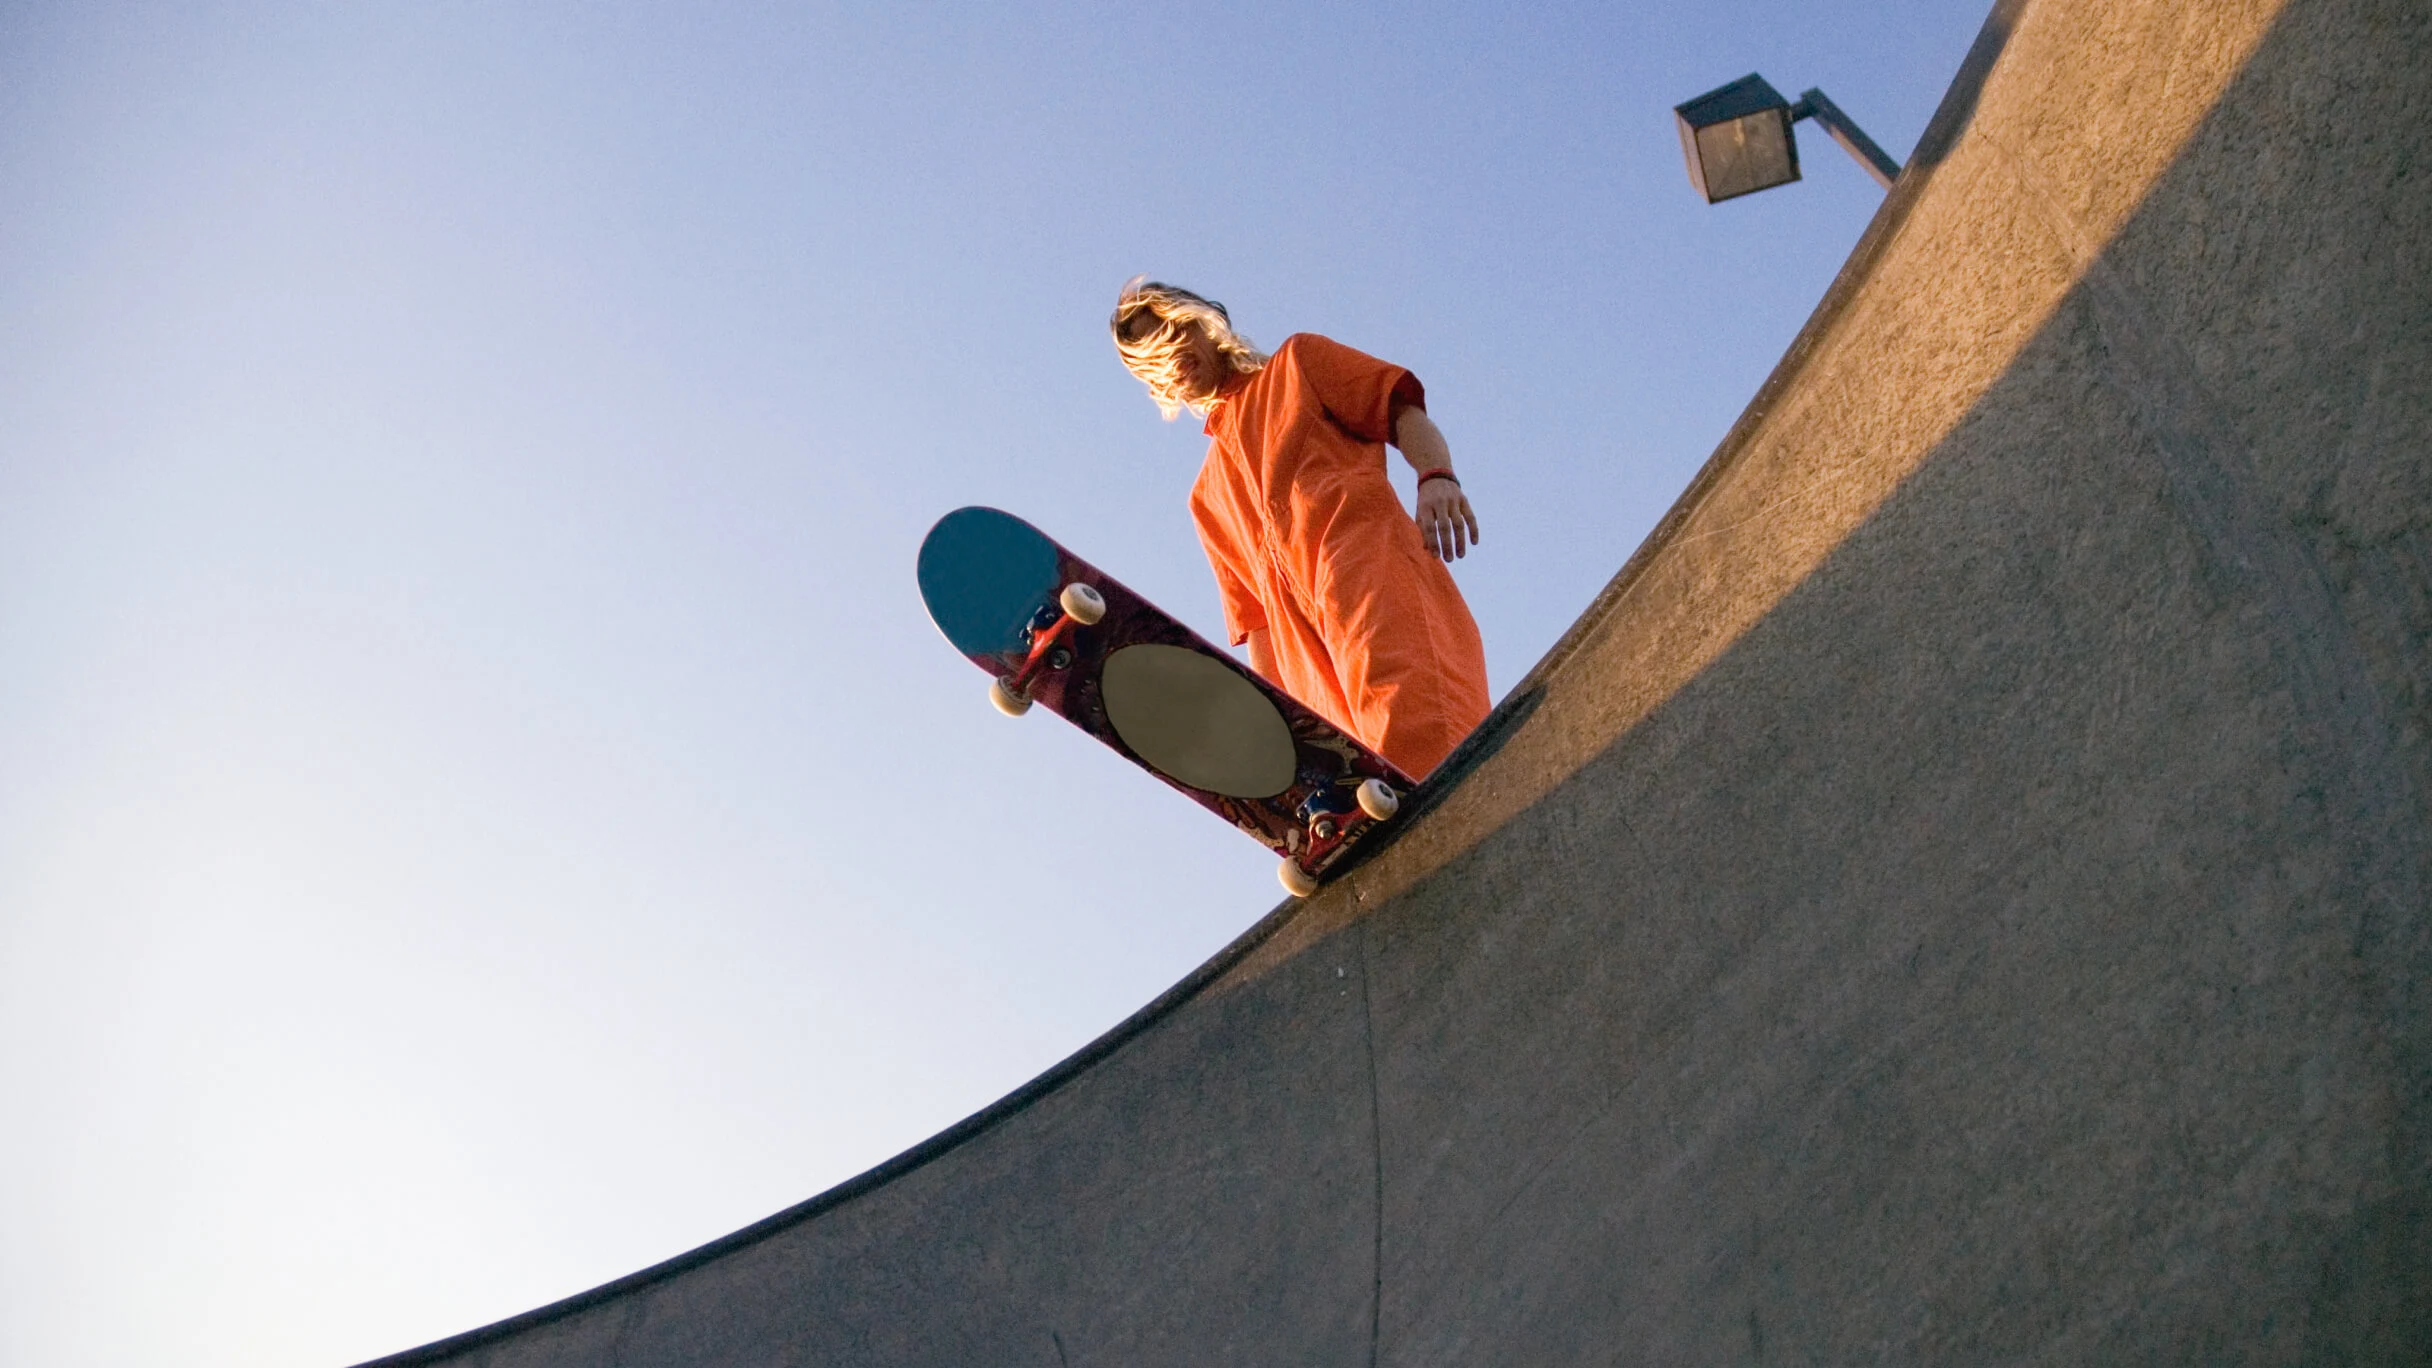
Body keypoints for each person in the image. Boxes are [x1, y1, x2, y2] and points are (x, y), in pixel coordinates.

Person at [1109, 277, 1490, 779]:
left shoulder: (1298, 365)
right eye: (1152, 358)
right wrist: (1281, 723)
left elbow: (1397, 408)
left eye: (1171, 334)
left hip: (1375, 587)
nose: (1172, 357)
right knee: (1368, 793)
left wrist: (1436, 476)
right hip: (1307, 668)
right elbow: (1256, 621)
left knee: (1424, 743)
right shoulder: (1206, 497)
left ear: (1201, 322)